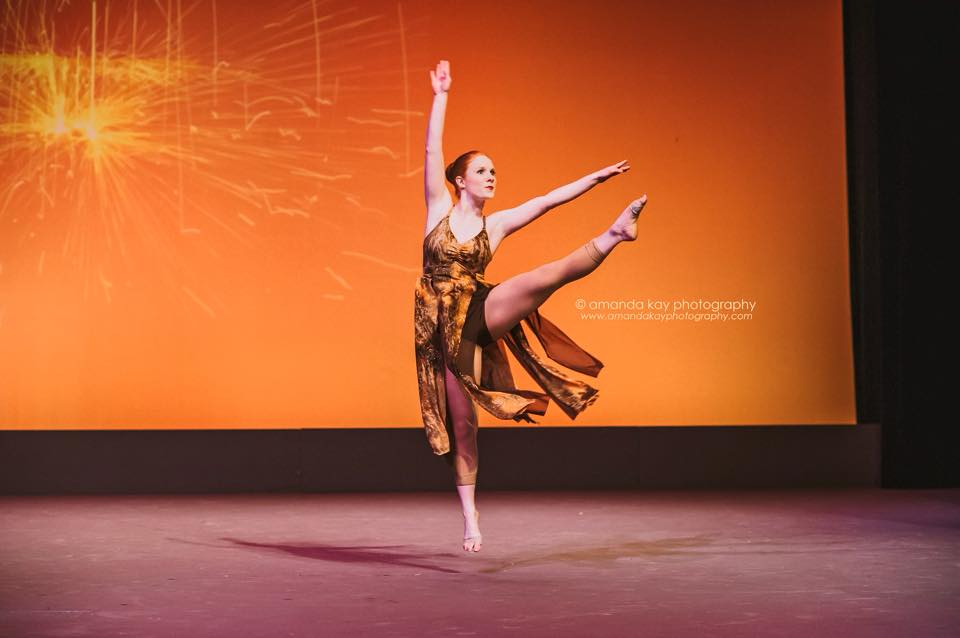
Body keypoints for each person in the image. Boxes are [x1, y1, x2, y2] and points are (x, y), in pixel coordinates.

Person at [413, 60, 648, 552]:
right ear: (460, 181)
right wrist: (441, 96)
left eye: (494, 171)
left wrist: (596, 178)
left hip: (478, 311)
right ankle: (470, 515)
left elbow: (546, 200)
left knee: (543, 278)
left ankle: (614, 233)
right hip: (437, 326)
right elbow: (432, 151)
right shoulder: (438, 209)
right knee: (463, 424)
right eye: (482, 171)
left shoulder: (495, 225)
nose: (491, 177)